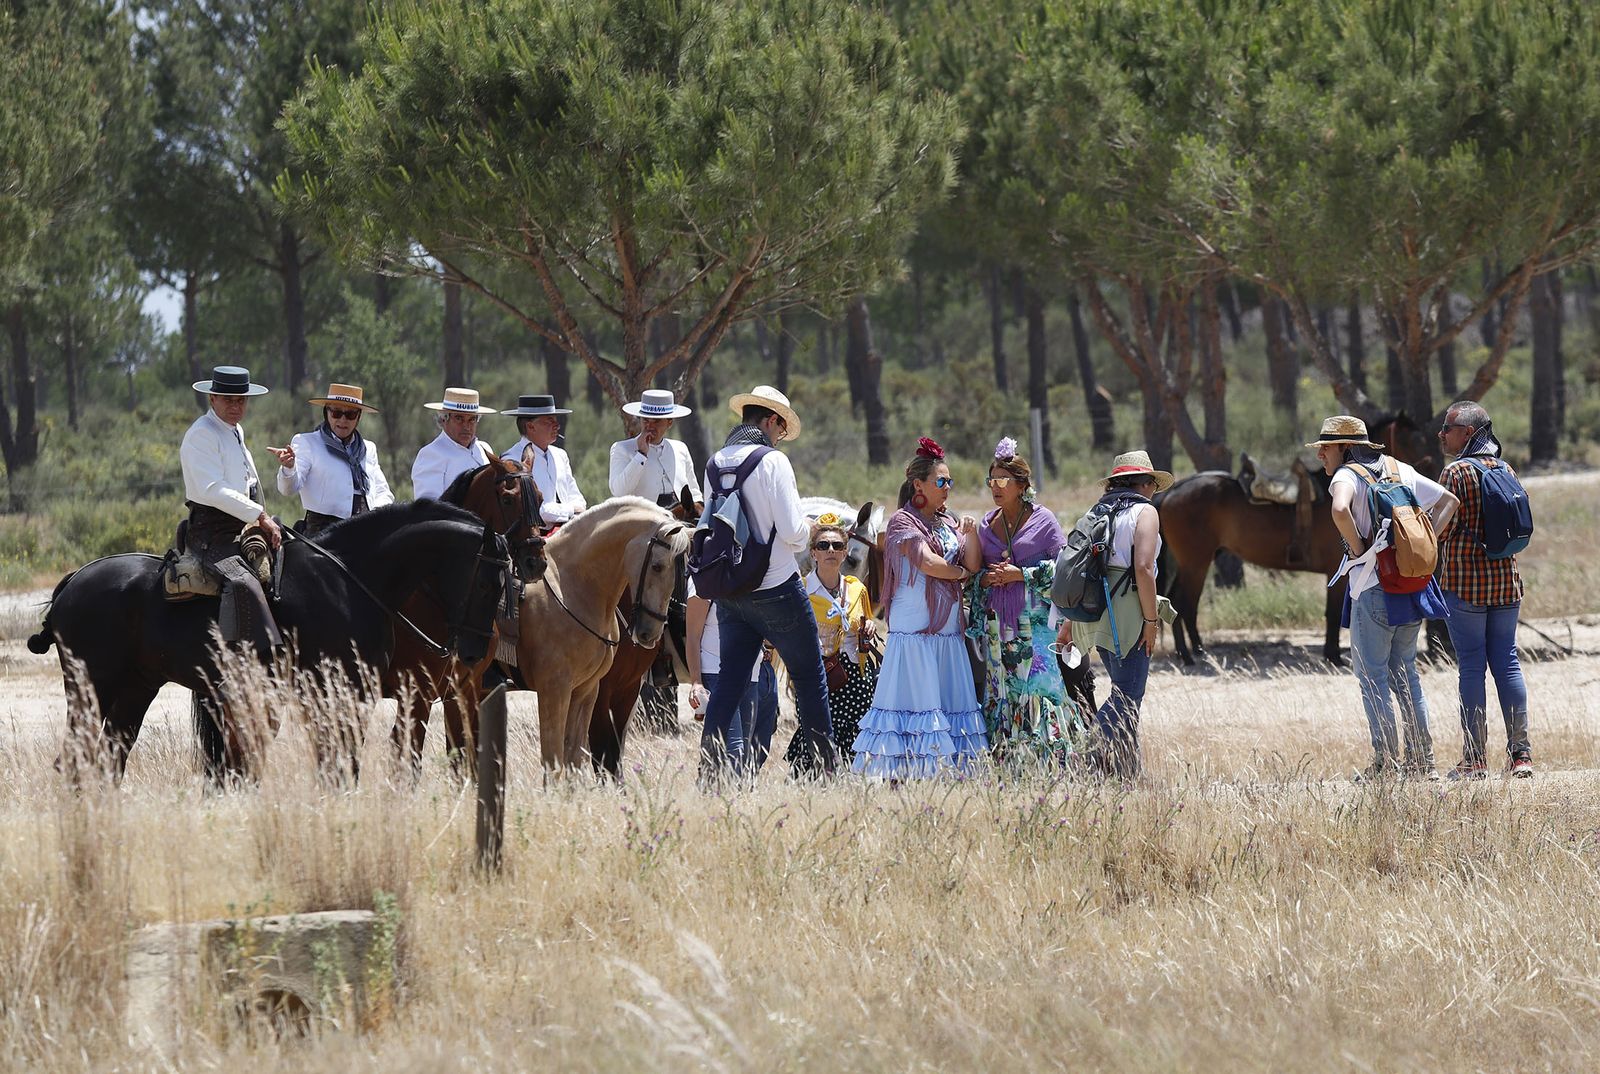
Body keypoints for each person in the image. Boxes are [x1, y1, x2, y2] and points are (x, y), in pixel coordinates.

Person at [697, 385, 835, 779]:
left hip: (731, 591)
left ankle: (709, 773)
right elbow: (793, 534)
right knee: (810, 680)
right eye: (781, 429)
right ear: (771, 420)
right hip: (777, 588)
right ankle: (827, 773)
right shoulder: (773, 462)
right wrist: (811, 528)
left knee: (729, 682)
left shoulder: (713, 462)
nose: (780, 438)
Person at [1314, 415, 1459, 780]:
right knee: (1406, 673)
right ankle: (1422, 762)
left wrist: (1360, 547)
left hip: (1373, 585)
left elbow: (1339, 509)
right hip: (1412, 585)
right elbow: (1449, 502)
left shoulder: (1345, 476)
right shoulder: (1398, 468)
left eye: (1325, 448)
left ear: (1345, 448)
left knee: (1372, 676)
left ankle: (1386, 764)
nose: (1321, 456)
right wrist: (1425, 541)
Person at [852, 437, 986, 778]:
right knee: (915, 704)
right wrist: (960, 574)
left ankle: (949, 772)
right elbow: (927, 563)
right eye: (941, 481)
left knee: (947, 703)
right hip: (915, 632)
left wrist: (969, 536)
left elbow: (971, 561)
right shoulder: (902, 523)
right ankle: (908, 773)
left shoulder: (946, 522)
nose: (948, 488)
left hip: (946, 633)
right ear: (918, 485)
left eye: (950, 482)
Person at [965, 437, 1084, 764]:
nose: (996, 487)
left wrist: (1022, 575)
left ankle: (1051, 764)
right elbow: (971, 574)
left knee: (1039, 690)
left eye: (1003, 480)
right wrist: (984, 579)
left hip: (1035, 626)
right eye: (992, 480)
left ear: (1021, 484)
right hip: (997, 628)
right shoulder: (987, 524)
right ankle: (1007, 764)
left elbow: (1065, 569)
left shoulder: (1043, 520)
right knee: (1001, 692)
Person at [1058, 451, 1172, 779]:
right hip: (1129, 615)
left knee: (1124, 695)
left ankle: (1128, 777)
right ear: (1147, 483)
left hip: (1095, 613)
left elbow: (1085, 572)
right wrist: (1151, 623)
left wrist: (1071, 622)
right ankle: (1079, 758)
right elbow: (1144, 568)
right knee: (1128, 697)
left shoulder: (1101, 511)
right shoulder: (1145, 511)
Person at [1436, 401, 1533, 779]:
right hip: (1507, 583)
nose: (1442, 434)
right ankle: (1521, 755)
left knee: (1472, 667)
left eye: (1449, 427)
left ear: (1469, 433)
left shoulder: (1455, 473)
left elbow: (1439, 530)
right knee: (1507, 664)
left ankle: (1475, 759)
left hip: (1465, 586)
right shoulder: (1506, 468)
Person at [178, 364, 283, 649]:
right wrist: (260, 515)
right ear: (212, 398)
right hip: (212, 533)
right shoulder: (202, 433)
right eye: (228, 399)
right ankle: (231, 659)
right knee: (242, 582)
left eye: (241, 400)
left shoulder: (235, 430)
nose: (236, 406)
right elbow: (213, 490)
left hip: (240, 526)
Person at [270, 382, 395, 535]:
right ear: (326, 412)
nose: (343, 420)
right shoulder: (307, 442)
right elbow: (287, 490)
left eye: (350, 415)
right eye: (336, 413)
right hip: (324, 533)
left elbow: (383, 492)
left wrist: (377, 515)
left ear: (358, 417)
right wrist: (289, 468)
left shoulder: (368, 449)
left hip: (366, 530)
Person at [804, 514, 879, 756]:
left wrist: (870, 628)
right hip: (818, 672)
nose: (831, 550)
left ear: (845, 552)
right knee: (818, 735)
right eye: (823, 545)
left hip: (856, 673)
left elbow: (865, 622)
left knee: (857, 735)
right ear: (813, 553)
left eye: (837, 546)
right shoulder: (802, 590)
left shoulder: (857, 588)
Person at [686, 580, 780, 769]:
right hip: (716, 673)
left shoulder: (754, 576)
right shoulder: (703, 581)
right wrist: (696, 681)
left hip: (751, 674)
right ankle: (728, 794)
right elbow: (692, 637)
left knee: (743, 752)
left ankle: (709, 788)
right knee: (734, 751)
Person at [499, 394, 585, 527]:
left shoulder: (560, 455)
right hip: (533, 541)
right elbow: (533, 510)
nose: (557, 426)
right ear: (530, 426)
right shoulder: (511, 460)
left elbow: (578, 499)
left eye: (556, 420)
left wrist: (568, 511)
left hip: (568, 533)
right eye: (549, 421)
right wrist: (570, 510)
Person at [609, 388, 698, 508]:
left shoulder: (680, 448)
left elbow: (694, 492)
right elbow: (619, 492)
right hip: (644, 520)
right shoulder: (622, 448)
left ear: (669, 422)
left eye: (656, 421)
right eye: (645, 420)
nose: (649, 426)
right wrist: (640, 455)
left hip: (680, 521)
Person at [412, 387, 497, 501]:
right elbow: (429, 508)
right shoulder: (431, 453)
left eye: (472, 419)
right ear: (444, 420)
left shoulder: (484, 449)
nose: (466, 426)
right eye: (459, 418)